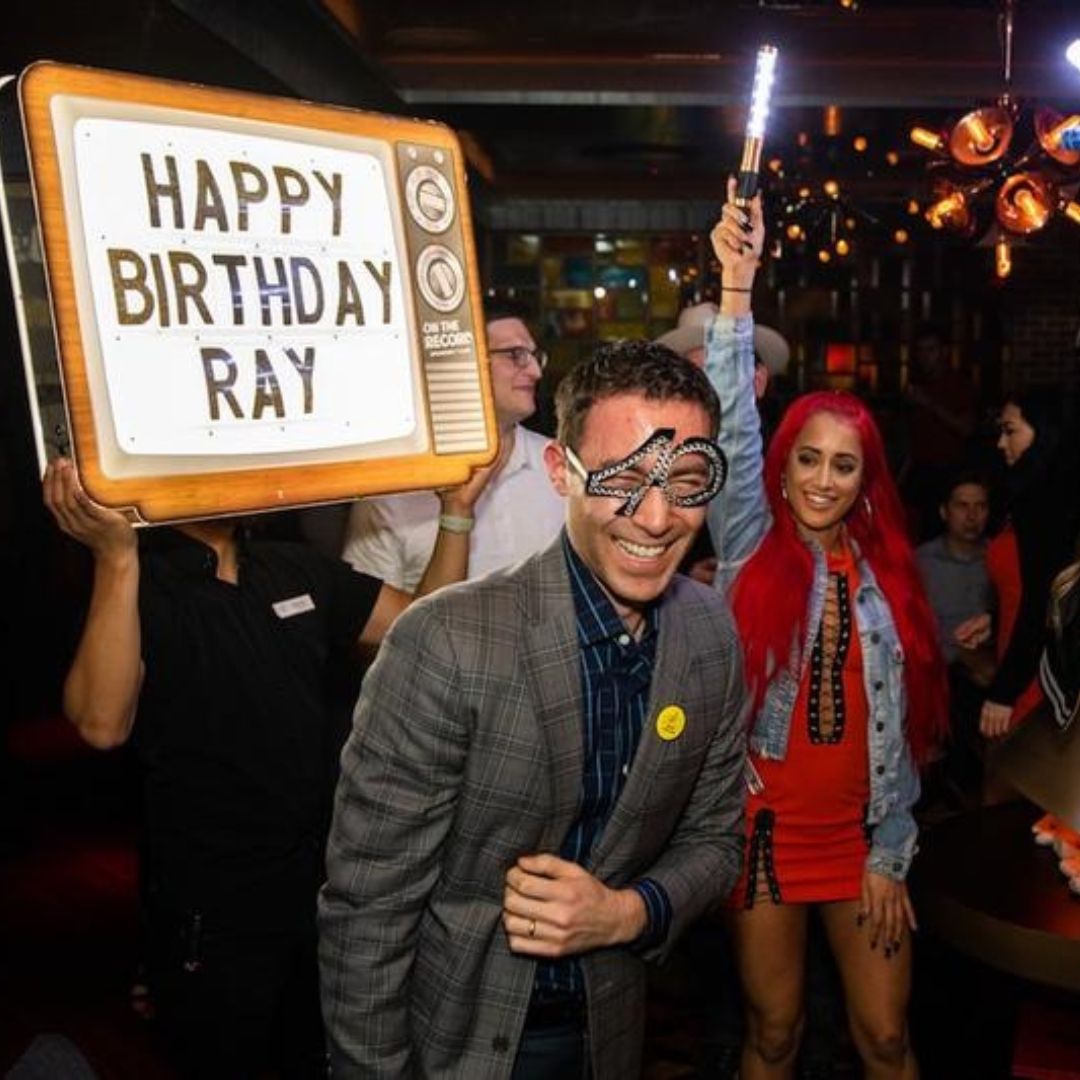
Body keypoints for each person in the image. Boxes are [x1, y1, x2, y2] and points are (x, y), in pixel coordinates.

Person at [318, 340, 748, 1079]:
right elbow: (369, 911)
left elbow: (717, 838)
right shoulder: (446, 641)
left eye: (685, 479)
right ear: (561, 472)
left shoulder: (709, 634)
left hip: (613, 1027)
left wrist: (627, 912)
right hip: (454, 1039)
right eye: (620, 478)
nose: (655, 516)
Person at [41, 455, 495, 1079]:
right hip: (212, 911)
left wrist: (457, 512)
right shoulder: (137, 584)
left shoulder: (291, 568)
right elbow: (100, 723)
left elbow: (427, 632)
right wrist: (116, 556)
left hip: (320, 895)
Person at [704, 180, 947, 1080]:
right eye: (808, 458)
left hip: (863, 839)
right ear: (786, 463)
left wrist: (892, 850)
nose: (822, 479)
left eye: (844, 466)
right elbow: (729, 418)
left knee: (886, 1037)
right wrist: (738, 284)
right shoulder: (746, 544)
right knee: (774, 1034)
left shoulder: (890, 580)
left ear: (865, 480)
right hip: (762, 835)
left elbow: (908, 728)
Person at [341, 300, 564, 589]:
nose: (536, 371)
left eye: (535, 356)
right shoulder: (395, 489)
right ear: (462, 363)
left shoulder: (560, 467)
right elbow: (369, 621)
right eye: (515, 355)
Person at [953, 389, 1080, 804]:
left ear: (1043, 434)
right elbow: (1037, 585)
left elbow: (1042, 606)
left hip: (1032, 682)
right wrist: (994, 614)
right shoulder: (1033, 494)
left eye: (1011, 431)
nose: (1001, 442)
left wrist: (1004, 692)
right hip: (1020, 658)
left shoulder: (1049, 502)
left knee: (1012, 808)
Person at [657, 301, 789, 586]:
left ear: (758, 381)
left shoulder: (794, 462)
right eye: (692, 376)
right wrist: (681, 578)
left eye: (725, 374)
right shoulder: (654, 458)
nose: (705, 388)